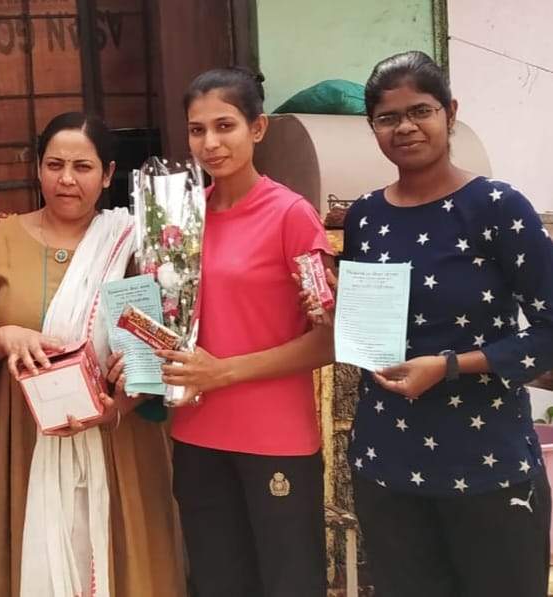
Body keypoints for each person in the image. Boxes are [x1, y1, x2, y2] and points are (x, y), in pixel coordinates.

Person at [307, 51, 553, 597]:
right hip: (388, 465)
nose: (405, 127)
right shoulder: (366, 216)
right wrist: (337, 311)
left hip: (488, 467)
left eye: (420, 111)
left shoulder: (497, 207)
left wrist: (449, 366)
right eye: (388, 118)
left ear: (450, 112)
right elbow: (375, 329)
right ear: (372, 127)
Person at [0, 112, 186, 597]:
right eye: (54, 165)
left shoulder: (136, 245)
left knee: (125, 560)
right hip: (23, 432)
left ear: (108, 174)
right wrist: (5, 336)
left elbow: (164, 346)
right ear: (38, 169)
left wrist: (119, 404)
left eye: (83, 166)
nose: (67, 179)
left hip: (119, 433)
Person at [156, 67, 334, 597]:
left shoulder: (291, 215)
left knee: (288, 583)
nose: (210, 143)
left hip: (275, 438)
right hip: (196, 434)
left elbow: (328, 339)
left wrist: (224, 372)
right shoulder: (180, 220)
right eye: (197, 130)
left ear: (257, 128)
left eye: (225, 126)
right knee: (217, 582)